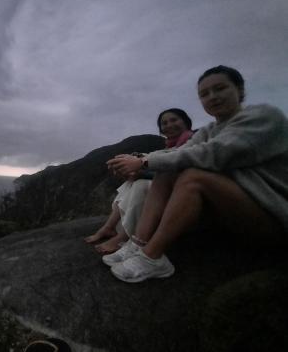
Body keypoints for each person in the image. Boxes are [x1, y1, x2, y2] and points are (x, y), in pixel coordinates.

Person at [104, 65, 288, 282]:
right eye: (204, 94)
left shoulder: (264, 117)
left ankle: (152, 256)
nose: (212, 97)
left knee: (194, 178)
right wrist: (138, 159)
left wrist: (143, 162)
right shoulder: (210, 130)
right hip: (233, 214)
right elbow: (180, 152)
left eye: (220, 88)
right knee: (167, 169)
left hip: (273, 218)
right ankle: (138, 244)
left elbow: (214, 154)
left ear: (239, 89)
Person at [85, 108, 194, 254]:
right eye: (164, 123)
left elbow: (175, 171)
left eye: (174, 120)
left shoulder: (192, 142)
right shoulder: (170, 146)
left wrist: (141, 173)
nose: (169, 125)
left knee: (141, 185)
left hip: (182, 193)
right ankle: (109, 227)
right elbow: (157, 165)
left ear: (186, 122)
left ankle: (124, 236)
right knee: (131, 182)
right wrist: (135, 170)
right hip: (168, 189)